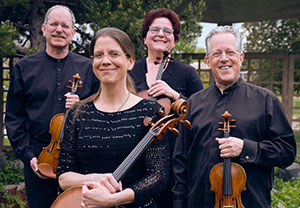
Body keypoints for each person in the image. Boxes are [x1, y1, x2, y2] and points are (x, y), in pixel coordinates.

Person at [172, 25, 296, 208]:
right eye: (216, 53)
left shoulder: (265, 100)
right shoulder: (193, 104)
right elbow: (180, 162)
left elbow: (287, 151)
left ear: (241, 57)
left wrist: (247, 148)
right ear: (207, 60)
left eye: (230, 52)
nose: (224, 59)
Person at [56, 27, 169, 208]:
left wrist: (113, 200)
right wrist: (93, 179)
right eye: (99, 55)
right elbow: (63, 176)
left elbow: (158, 176)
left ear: (130, 61)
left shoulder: (150, 110)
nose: (105, 61)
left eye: (114, 54)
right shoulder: (78, 113)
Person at [5, 5, 99, 208]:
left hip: (80, 158)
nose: (59, 29)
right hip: (41, 157)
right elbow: (14, 118)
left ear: (73, 32)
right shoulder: (24, 68)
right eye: (54, 24)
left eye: (65, 25)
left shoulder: (88, 68)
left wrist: (82, 107)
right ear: (44, 29)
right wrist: (28, 155)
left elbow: (102, 109)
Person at [129, 8, 203, 207]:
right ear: (145, 38)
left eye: (167, 31)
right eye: (155, 29)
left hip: (173, 157)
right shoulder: (130, 70)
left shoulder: (187, 73)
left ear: (174, 41)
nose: (161, 34)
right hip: (133, 156)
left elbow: (202, 111)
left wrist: (175, 95)